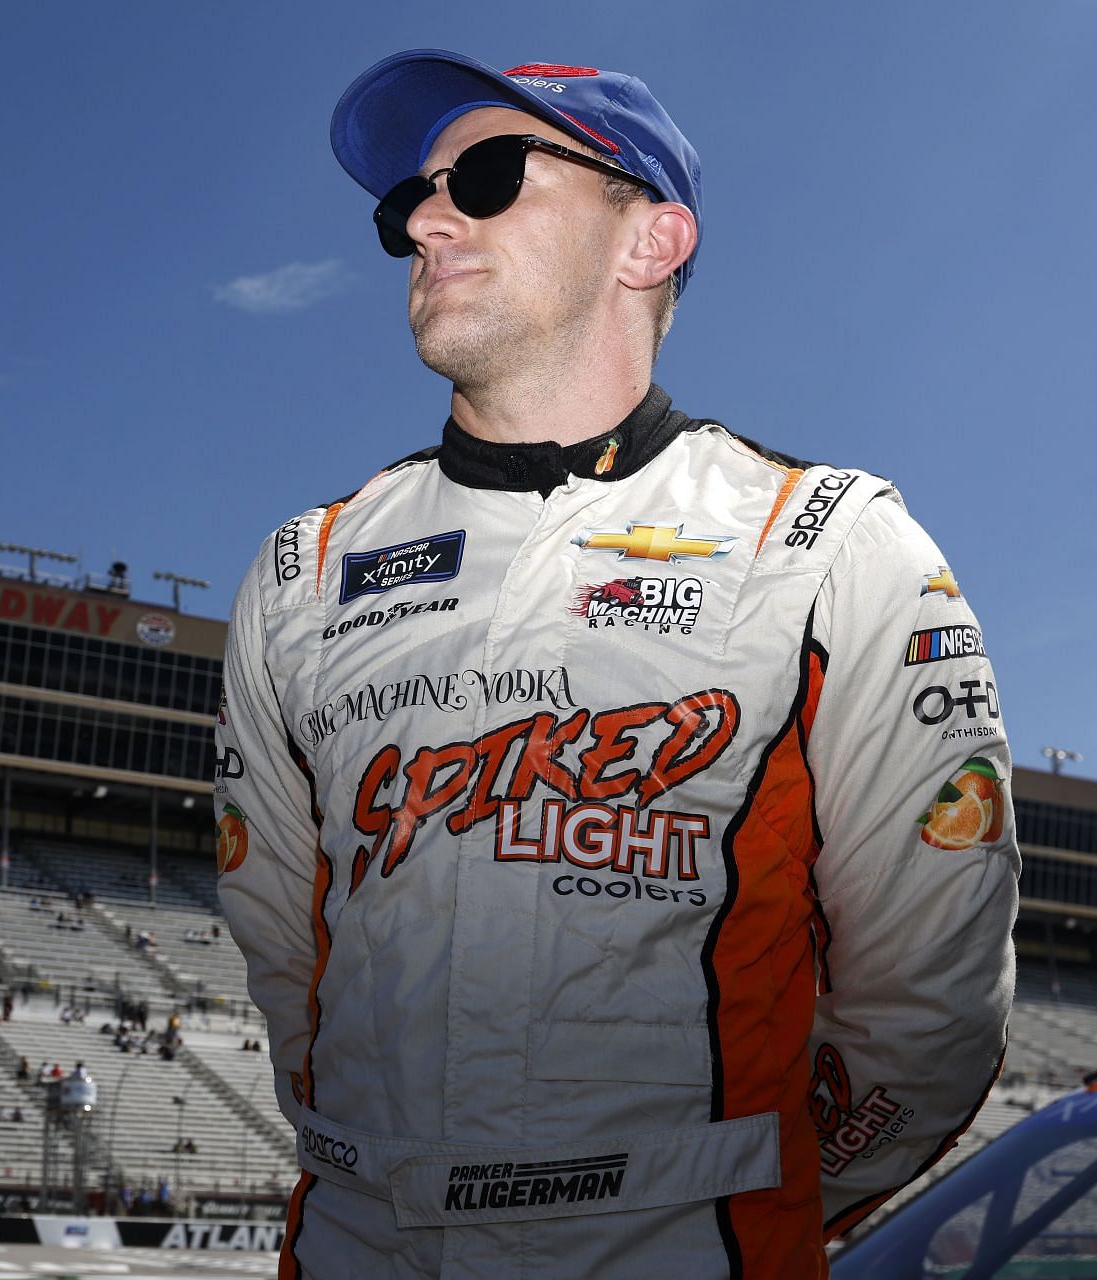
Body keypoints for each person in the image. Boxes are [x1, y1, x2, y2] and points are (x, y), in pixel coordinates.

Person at [214, 50, 1020, 1278]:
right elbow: (285, 953)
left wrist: (714, 1176)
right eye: (406, 202)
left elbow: (931, 995)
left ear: (650, 238)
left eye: (484, 176)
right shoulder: (303, 566)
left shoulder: (824, 540)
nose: (427, 217)